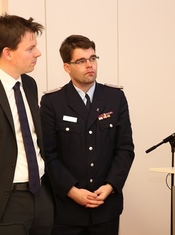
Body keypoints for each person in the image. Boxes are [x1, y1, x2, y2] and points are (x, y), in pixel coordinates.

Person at [40, 34, 135, 235]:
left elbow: (124, 149)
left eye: (92, 58)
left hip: (105, 207)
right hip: (66, 210)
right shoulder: (52, 103)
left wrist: (110, 186)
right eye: (81, 61)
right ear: (67, 67)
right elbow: (48, 155)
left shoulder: (114, 97)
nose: (89, 65)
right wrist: (72, 191)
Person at [0, 14, 53, 234]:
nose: (37, 53)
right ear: (8, 52)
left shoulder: (29, 84)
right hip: (0, 203)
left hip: (40, 197)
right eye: (30, 48)